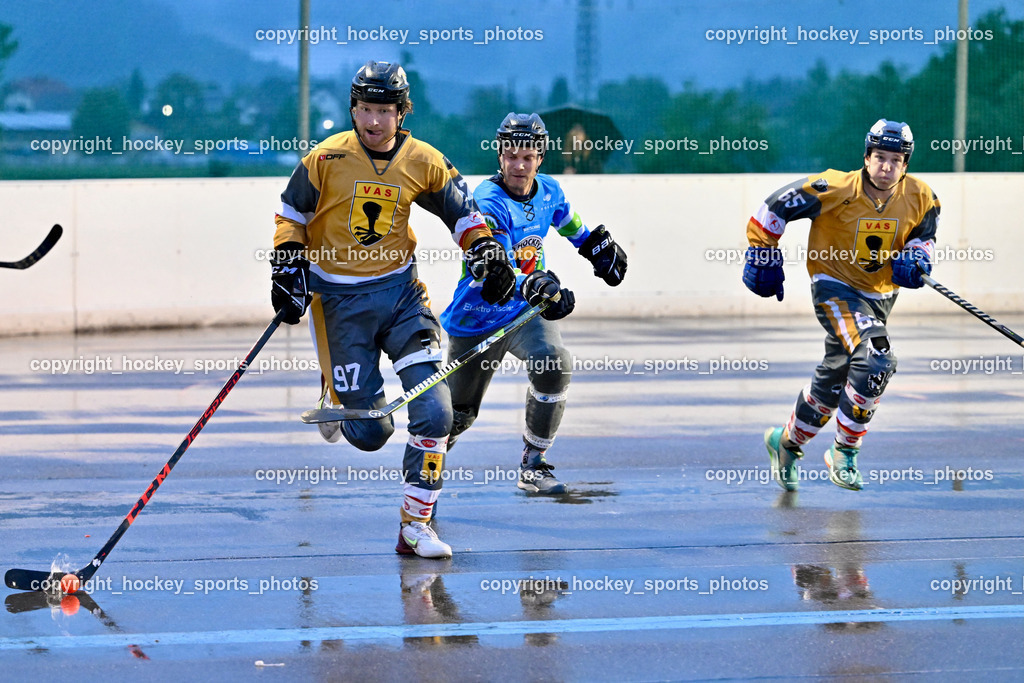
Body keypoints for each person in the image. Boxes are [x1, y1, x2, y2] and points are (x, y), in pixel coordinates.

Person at [269, 60, 515, 558]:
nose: (373, 121)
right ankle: (338, 396)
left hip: (402, 298)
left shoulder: (423, 159)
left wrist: (485, 252)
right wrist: (286, 262)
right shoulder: (326, 158)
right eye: (364, 109)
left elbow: (463, 214)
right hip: (338, 305)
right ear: (353, 109)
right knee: (372, 432)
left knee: (435, 411)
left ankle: (415, 526)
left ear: (402, 112)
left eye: (384, 110)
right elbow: (290, 214)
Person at [743, 119, 939, 492]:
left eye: (895, 160)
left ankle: (785, 444)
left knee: (833, 385)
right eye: (879, 157)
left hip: (880, 298)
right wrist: (762, 252)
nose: (886, 167)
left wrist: (917, 258)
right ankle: (845, 450)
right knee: (877, 357)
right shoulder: (833, 187)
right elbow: (774, 207)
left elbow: (924, 237)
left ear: (906, 164)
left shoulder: (923, 196)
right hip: (834, 288)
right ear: (866, 158)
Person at [440, 112, 628, 494]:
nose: (519, 165)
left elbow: (572, 225)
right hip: (479, 314)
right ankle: (428, 471)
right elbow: (501, 269)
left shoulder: (550, 191)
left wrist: (596, 248)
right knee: (456, 417)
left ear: (540, 157)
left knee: (554, 363)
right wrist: (538, 285)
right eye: (511, 155)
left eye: (527, 157)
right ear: (500, 155)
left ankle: (534, 463)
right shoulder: (488, 200)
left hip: (524, 311)